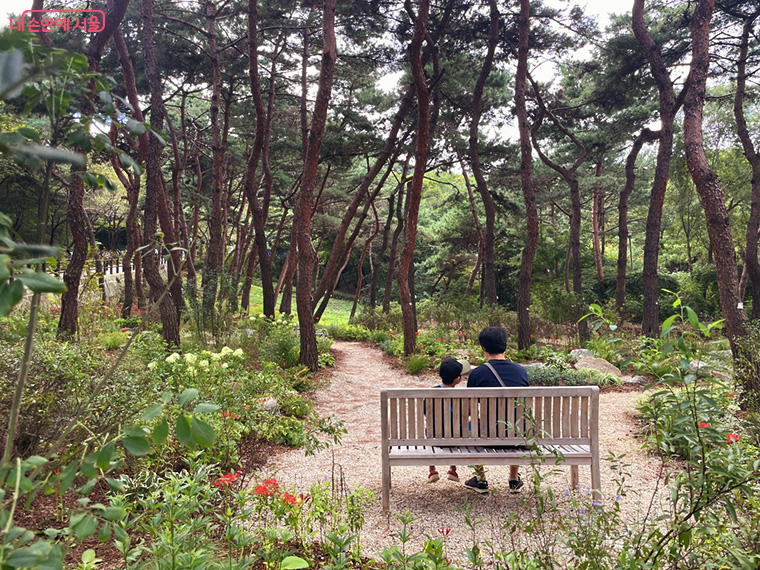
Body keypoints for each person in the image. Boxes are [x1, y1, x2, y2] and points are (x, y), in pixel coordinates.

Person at [464, 326, 529, 494]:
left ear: (483, 348)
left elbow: (471, 408)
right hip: (517, 436)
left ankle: (481, 479)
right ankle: (514, 479)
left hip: (487, 436)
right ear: (506, 346)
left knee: (473, 425)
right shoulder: (521, 372)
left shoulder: (477, 373)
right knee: (516, 418)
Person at [427, 357, 470, 483]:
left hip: (434, 436)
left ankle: (432, 470)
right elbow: (466, 414)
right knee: (458, 428)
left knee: (429, 428)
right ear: (457, 379)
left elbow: (426, 412)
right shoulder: (461, 397)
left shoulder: (431, 393)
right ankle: (452, 468)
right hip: (456, 437)